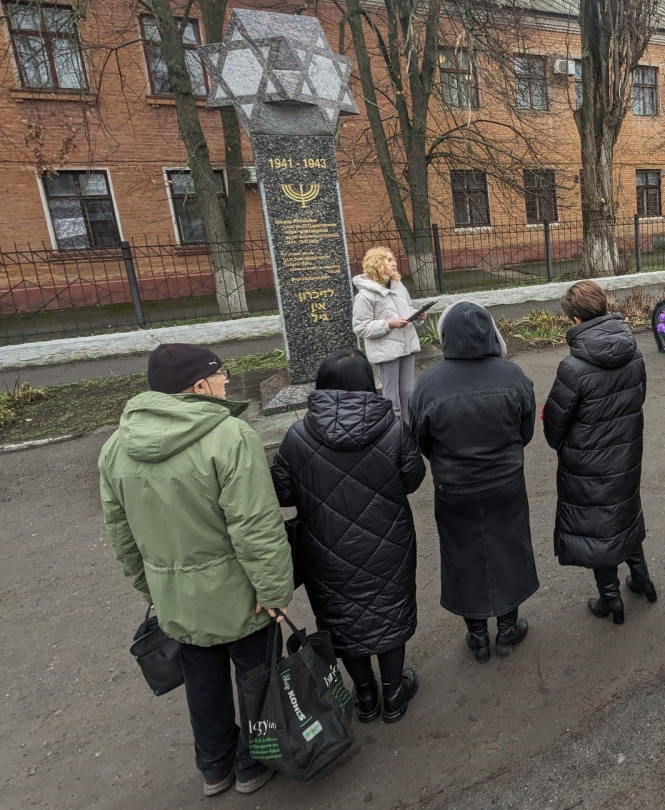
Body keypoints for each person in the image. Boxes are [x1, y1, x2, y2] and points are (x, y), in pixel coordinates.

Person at [98, 344, 290, 798]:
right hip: (241, 592)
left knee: (202, 682)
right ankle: (252, 763)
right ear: (199, 385)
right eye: (221, 374)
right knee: (255, 676)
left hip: (176, 599)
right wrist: (274, 588)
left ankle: (214, 768)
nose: (227, 381)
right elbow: (255, 525)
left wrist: (152, 587)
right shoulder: (231, 436)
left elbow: (121, 534)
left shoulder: (114, 448)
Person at [270, 349, 426, 724]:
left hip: (325, 549)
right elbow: (413, 479)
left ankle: (366, 697)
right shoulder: (392, 428)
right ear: (366, 384)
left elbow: (283, 493)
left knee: (343, 617)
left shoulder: (297, 436)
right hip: (388, 541)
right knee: (388, 610)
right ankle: (394, 693)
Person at [407, 302, 539, 662]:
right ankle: (508, 631)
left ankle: (477, 636)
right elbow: (525, 432)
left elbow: (420, 440)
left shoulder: (427, 383)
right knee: (509, 550)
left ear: (445, 335)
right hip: (505, 482)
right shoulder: (513, 376)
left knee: (463, 556)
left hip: (454, 486)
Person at [542, 281, 655, 624]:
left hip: (588, 462)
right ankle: (642, 579)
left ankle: (611, 599)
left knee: (598, 527)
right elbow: (639, 397)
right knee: (624, 512)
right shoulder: (633, 351)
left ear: (575, 319)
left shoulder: (573, 368)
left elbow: (554, 427)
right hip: (626, 453)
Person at [352, 246, 426, 419]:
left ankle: (408, 431)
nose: (394, 263)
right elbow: (360, 327)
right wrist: (388, 324)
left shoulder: (398, 286)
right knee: (391, 397)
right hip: (387, 351)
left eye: (394, 259)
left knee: (407, 393)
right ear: (377, 264)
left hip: (407, 346)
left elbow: (406, 309)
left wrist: (417, 315)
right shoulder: (365, 295)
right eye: (389, 260)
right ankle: (393, 433)